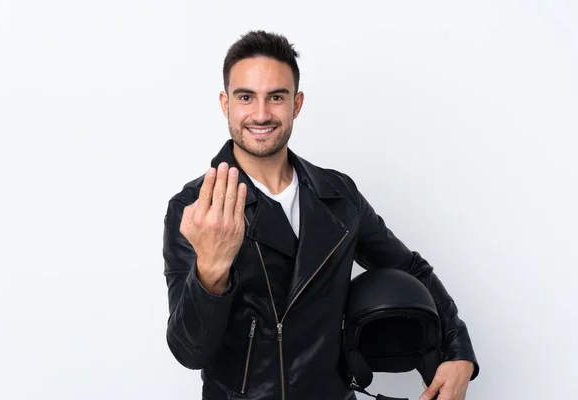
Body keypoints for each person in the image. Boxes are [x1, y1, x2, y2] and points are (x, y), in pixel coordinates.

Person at [163, 30, 479, 400]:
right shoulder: (196, 207)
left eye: (276, 97)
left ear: (296, 104)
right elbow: (190, 351)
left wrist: (459, 353)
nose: (261, 114)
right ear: (225, 103)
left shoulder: (339, 195)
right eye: (246, 97)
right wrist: (211, 272)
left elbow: (411, 269)